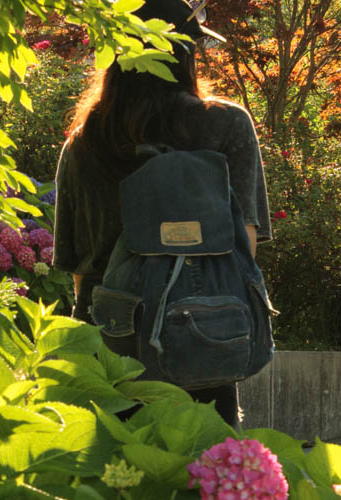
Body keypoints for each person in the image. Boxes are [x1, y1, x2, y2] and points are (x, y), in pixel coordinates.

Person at [53, 0, 272, 426]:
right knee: (202, 474)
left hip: (111, 345)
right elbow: (243, 247)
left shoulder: (83, 142)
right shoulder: (227, 125)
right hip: (202, 333)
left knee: (115, 477)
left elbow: (78, 270)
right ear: (186, 56)